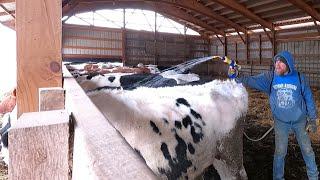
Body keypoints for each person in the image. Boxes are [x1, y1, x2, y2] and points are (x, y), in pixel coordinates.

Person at [235, 50, 319, 180]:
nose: (277, 64)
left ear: (289, 64)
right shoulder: (270, 77)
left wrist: (313, 119)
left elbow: (308, 98)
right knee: (280, 152)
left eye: (281, 62)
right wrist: (238, 75)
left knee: (307, 150)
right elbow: (251, 80)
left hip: (300, 122)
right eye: (276, 61)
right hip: (281, 123)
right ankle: (278, 178)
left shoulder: (299, 78)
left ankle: (313, 176)